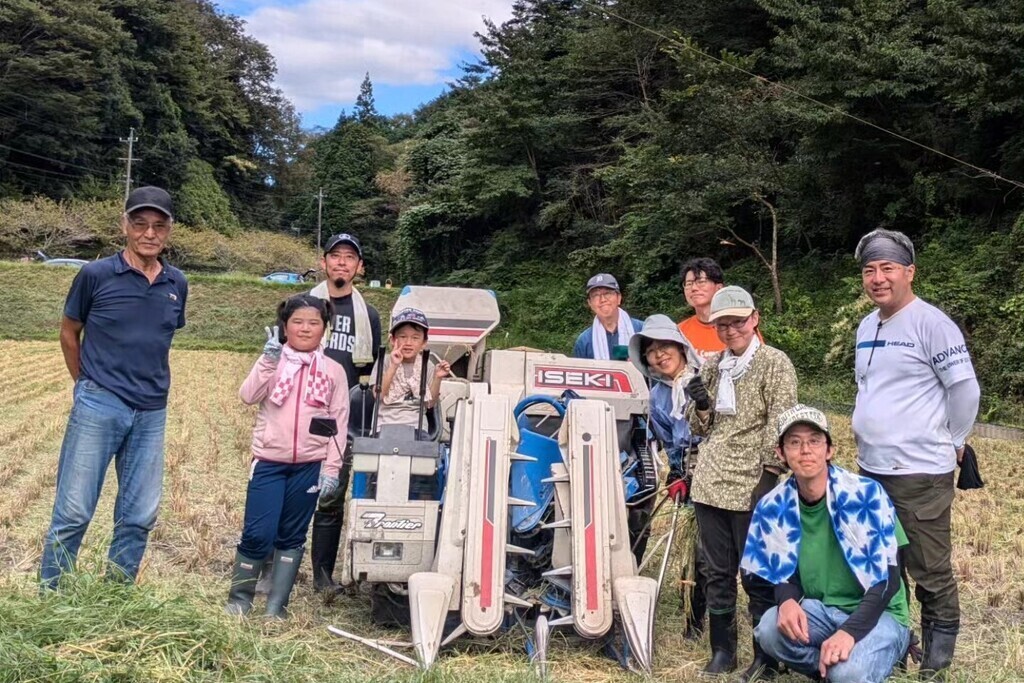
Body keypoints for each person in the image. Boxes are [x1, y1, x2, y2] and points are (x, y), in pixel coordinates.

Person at [39, 187, 188, 589]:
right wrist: (85, 384)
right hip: (99, 402)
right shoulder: (95, 275)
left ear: (169, 231)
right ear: (124, 226)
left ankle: (115, 594)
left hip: (152, 410)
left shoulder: (177, 283)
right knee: (73, 511)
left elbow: (162, 338)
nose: (149, 234)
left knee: (139, 514)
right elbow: (70, 332)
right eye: (140, 224)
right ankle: (51, 595)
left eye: (159, 226)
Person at [851, 229, 980, 677]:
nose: (878, 278)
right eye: (870, 269)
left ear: (909, 272)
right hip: (871, 468)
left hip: (920, 472)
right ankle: (898, 641)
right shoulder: (868, 325)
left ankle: (938, 658)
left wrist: (954, 439)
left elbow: (964, 388)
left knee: (928, 566)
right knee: (884, 564)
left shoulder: (932, 323)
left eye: (888, 268)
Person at [742, 405, 911, 683]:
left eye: (814, 441)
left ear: (829, 450)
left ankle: (866, 659)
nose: (805, 450)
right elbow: (783, 571)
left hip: (877, 612)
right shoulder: (773, 506)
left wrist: (849, 633)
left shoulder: (866, 495)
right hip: (821, 610)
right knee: (769, 629)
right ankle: (830, 667)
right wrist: (786, 600)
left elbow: (889, 580)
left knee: (850, 674)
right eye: (794, 442)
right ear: (780, 454)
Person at [684, 286, 798, 678]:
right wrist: (699, 403)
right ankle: (722, 650)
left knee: (757, 572)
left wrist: (769, 474)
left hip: (752, 478)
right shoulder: (714, 365)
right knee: (718, 570)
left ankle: (765, 654)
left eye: (737, 321)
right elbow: (703, 427)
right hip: (711, 478)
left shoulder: (773, 363)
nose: (730, 330)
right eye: (722, 324)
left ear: (754, 319)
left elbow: (781, 419)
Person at [225, 294, 349, 618]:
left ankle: (276, 607)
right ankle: (239, 600)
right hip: (269, 462)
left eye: (313, 323)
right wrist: (267, 360)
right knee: (257, 533)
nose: (305, 329)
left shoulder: (333, 371)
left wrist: (331, 470)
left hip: (309, 466)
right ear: (285, 326)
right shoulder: (274, 361)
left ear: (325, 328)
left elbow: (337, 427)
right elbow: (247, 396)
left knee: (292, 536)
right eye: (297, 322)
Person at [307, 232, 382, 594]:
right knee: (291, 491)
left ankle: (323, 576)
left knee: (331, 496)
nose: (341, 262)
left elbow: (369, 376)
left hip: (345, 421)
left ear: (359, 267)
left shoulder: (368, 316)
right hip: (302, 414)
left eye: (349, 257)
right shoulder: (304, 306)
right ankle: (274, 567)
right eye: (335, 256)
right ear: (323, 263)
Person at [374, 308, 451, 430]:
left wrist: (438, 378)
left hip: (417, 427)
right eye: (403, 337)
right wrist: (393, 366)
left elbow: (430, 404)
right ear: (393, 340)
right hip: (383, 426)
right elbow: (377, 395)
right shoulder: (384, 361)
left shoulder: (428, 365)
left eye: (415, 338)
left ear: (424, 342)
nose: (408, 342)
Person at [572, 273, 642, 360]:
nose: (603, 300)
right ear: (590, 303)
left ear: (619, 298)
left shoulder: (642, 330)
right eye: (596, 295)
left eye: (608, 293)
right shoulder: (584, 341)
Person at [678, 258, 727, 363]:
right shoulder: (679, 332)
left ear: (719, 288)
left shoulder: (739, 326)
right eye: (689, 283)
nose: (694, 288)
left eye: (701, 282)